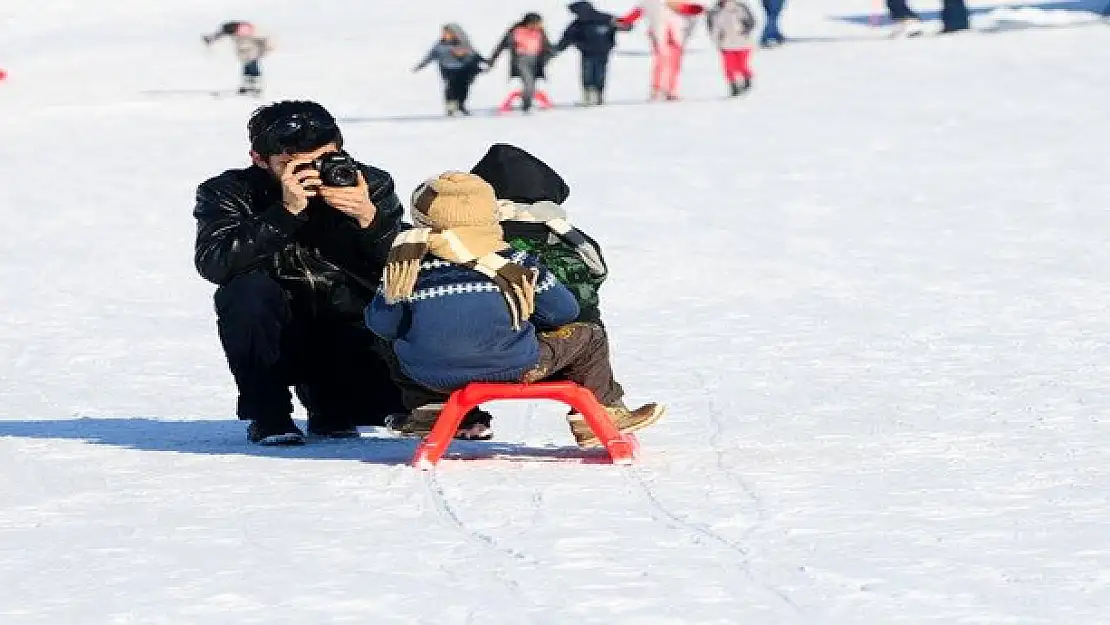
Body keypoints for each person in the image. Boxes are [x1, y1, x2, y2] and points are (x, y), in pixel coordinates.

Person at [366, 172, 665, 446]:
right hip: (513, 366)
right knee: (589, 336)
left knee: (393, 333)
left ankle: (429, 409)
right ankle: (598, 413)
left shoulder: (405, 268)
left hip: (429, 374)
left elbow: (383, 325)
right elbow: (564, 312)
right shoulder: (516, 262)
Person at [193, 100, 408, 445]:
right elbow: (215, 262)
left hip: (349, 331)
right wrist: (284, 213)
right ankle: (269, 414)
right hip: (279, 336)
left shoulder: (370, 183)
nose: (314, 172)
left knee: (372, 411)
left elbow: (401, 274)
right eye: (295, 166)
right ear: (259, 160)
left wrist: (371, 222)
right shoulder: (228, 192)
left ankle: (333, 402)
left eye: (323, 160)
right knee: (245, 292)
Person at [470, 143, 609, 326]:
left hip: (511, 345)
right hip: (587, 342)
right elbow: (597, 275)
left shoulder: (476, 238)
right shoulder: (572, 237)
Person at [618, 1, 705, 101]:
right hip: (662, 33)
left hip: (675, 33)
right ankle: (659, 89)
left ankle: (669, 89)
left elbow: (690, 10)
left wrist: (697, 9)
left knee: (672, 62)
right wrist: (624, 21)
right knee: (664, 60)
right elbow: (639, 11)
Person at [554, 2, 630, 106]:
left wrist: (558, 48)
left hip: (594, 52)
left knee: (591, 73)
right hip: (595, 51)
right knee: (596, 72)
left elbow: (567, 37)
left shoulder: (585, 22)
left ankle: (592, 95)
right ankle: (594, 95)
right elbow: (567, 38)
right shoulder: (603, 19)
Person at [413, 23, 488, 116]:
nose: (445, 35)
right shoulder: (439, 45)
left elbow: (473, 54)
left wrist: (483, 61)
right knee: (451, 87)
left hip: (463, 69)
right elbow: (431, 55)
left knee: (463, 88)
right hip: (447, 69)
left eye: (447, 33)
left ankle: (461, 105)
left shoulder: (463, 43)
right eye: (444, 33)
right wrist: (420, 65)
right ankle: (450, 107)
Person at [488, 12, 555, 113]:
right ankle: (527, 106)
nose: (538, 25)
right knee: (528, 83)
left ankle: (526, 103)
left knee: (531, 84)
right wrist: (492, 60)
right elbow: (501, 45)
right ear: (529, 23)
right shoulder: (516, 31)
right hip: (521, 60)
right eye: (536, 23)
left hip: (536, 60)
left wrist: (548, 55)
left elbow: (547, 46)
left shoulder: (540, 31)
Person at [202, 21, 271, 96]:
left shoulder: (248, 32)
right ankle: (248, 86)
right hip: (247, 53)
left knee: (252, 69)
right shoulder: (240, 31)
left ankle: (255, 87)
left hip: (252, 53)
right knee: (247, 69)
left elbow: (264, 40)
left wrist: (264, 50)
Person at [706, 0, 758, 96]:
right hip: (726, 45)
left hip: (743, 43)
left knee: (741, 65)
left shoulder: (740, 7)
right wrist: (717, 40)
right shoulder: (715, 12)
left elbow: (751, 22)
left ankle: (747, 79)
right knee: (729, 67)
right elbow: (712, 28)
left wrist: (745, 30)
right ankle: (733, 86)